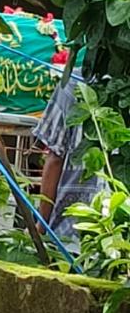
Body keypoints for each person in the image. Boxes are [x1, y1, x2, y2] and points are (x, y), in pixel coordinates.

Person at [35, 70, 101, 243]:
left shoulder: (73, 82)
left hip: (68, 231)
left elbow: (55, 158)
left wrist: (41, 225)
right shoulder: (74, 82)